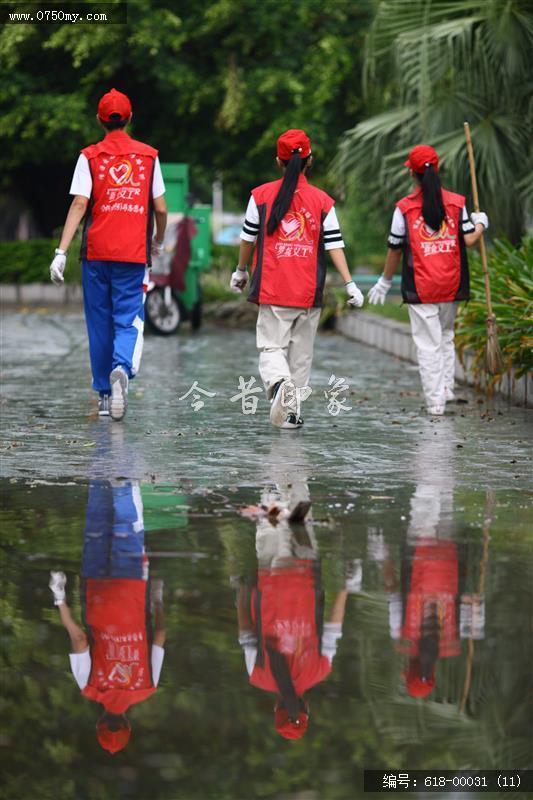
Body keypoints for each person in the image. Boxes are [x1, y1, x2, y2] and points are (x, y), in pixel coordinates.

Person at [230, 129, 364, 429]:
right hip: (308, 291)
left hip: (273, 287)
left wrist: (240, 270)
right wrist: (349, 283)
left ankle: (279, 385)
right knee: (301, 357)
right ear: (310, 161)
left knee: (271, 347)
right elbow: (334, 244)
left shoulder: (260, 196)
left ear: (279, 161)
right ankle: (290, 413)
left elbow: (247, 239)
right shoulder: (323, 202)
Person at [48, 88, 168, 420]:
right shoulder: (148, 157)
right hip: (132, 253)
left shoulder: (89, 157)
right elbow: (160, 207)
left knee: (99, 322)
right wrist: (157, 239)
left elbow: (79, 204)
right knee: (128, 316)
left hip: (96, 254)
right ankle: (121, 368)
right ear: (130, 118)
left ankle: (104, 395)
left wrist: (61, 251)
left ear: (100, 120)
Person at [368, 144, 488, 415]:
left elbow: (394, 249)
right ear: (438, 169)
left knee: (428, 345)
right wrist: (481, 223)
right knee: (446, 336)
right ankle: (446, 389)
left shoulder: (405, 208)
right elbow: (469, 240)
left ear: (412, 174)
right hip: (452, 284)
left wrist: (385, 281)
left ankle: (436, 403)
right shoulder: (457, 203)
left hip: (422, 288)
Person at [48, 479, 166, 754]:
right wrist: (59, 596)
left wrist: (158, 598)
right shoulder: (89, 688)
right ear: (99, 722)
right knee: (97, 526)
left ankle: (123, 473)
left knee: (128, 527)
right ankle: (101, 467)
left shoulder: (148, 686)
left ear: (128, 724)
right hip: (97, 593)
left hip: (132, 589)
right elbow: (79, 639)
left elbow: (159, 636)